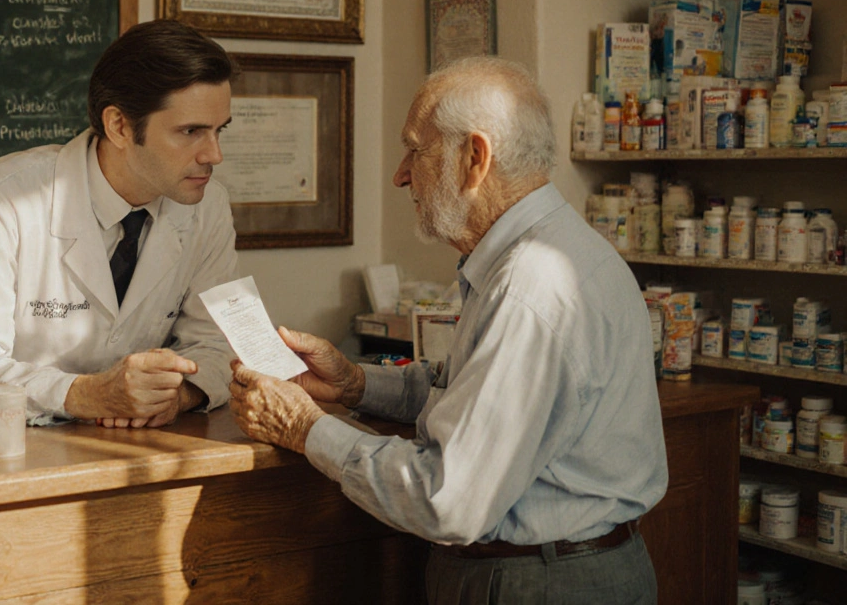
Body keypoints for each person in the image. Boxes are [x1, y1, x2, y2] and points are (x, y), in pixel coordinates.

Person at [228, 57, 668, 603]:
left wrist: (303, 427)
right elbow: (471, 391)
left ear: (475, 158)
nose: (401, 173)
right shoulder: (540, 256)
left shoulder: (531, 289)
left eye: (417, 148)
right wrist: (355, 386)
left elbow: (446, 497)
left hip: (541, 582)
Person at [0, 19, 239, 427]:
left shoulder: (208, 206)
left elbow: (218, 343)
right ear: (119, 126)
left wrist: (177, 397)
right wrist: (89, 394)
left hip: (93, 444)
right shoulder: (3, 196)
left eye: (218, 130)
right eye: (191, 131)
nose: (213, 155)